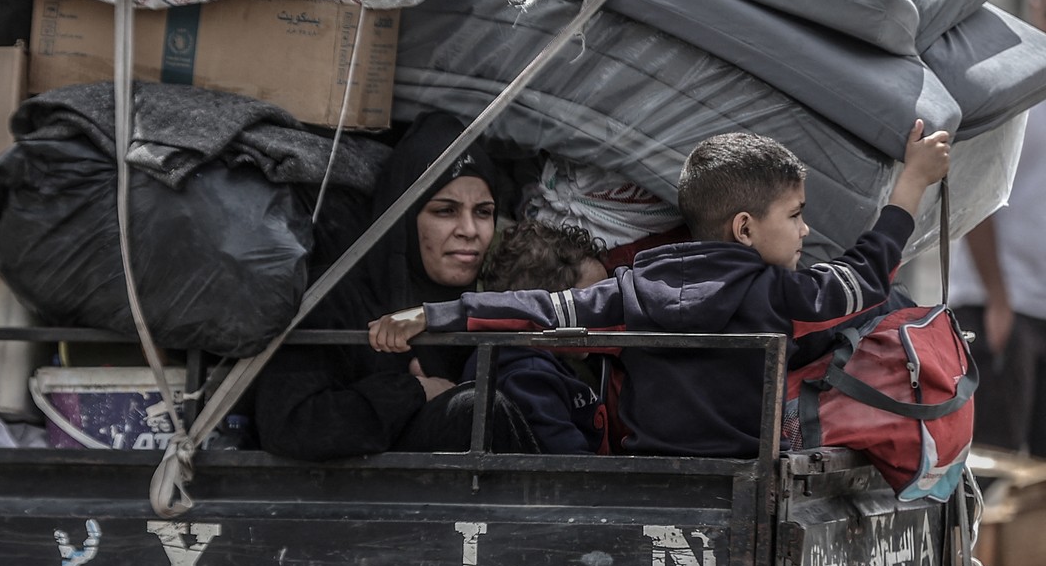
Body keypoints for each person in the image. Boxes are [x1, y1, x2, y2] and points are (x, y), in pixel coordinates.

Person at [369, 121, 951, 458]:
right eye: (796, 215)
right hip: (748, 481)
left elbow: (541, 312)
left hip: (647, 482)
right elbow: (867, 272)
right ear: (745, 229)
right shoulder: (784, 298)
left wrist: (436, 315)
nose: (804, 230)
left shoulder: (631, 292)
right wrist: (911, 183)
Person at [253, 112, 538, 461]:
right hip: (360, 501)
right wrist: (413, 392)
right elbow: (290, 423)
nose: (470, 230)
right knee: (473, 409)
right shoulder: (337, 298)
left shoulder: (486, 305)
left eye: (483, 212)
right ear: (403, 219)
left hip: (462, 505)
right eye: (445, 211)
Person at [950, 0, 1046, 456]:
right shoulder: (1017, 85)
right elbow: (978, 195)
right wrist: (998, 297)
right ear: (1037, 5)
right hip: (1001, 306)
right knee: (993, 461)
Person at [459, 220, 610, 454]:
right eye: (589, 305)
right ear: (544, 308)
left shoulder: (541, 363)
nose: (601, 317)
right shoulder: (527, 375)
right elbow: (568, 460)